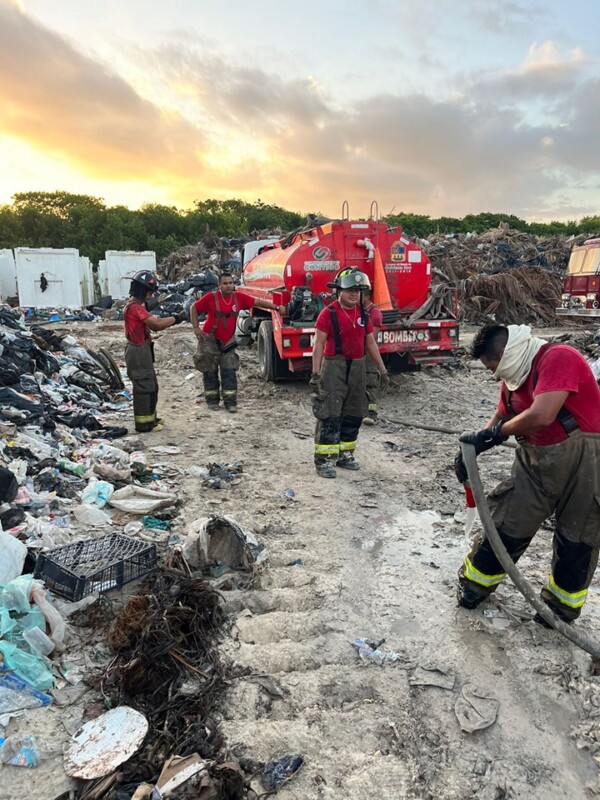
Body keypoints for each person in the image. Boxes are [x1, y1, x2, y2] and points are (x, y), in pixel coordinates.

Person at [455, 323, 600, 624]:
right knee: (509, 519)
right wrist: (474, 446)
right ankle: (475, 585)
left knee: (577, 535)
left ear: (503, 354)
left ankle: (561, 607)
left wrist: (496, 435)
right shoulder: (514, 377)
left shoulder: (558, 357)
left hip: (586, 460)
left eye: (493, 367)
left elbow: (542, 414)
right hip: (536, 459)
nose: (495, 375)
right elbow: (502, 415)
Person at [311, 268, 389, 478]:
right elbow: (318, 345)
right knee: (330, 413)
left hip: (357, 367)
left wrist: (382, 370)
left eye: (357, 290)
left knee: (354, 413)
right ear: (339, 291)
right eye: (349, 290)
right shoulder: (328, 313)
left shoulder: (363, 314)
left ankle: (345, 454)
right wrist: (316, 374)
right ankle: (324, 460)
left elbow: (370, 343)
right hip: (333, 367)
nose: (354, 294)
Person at [190, 273, 286, 412]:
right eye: (225, 283)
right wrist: (196, 328)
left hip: (228, 341)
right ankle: (212, 401)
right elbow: (194, 308)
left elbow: (258, 303)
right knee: (209, 371)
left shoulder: (238, 298)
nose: (228, 286)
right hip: (209, 340)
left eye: (230, 283)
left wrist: (276, 308)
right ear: (219, 285)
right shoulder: (211, 297)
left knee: (229, 371)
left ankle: (230, 403)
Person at [124, 270, 186, 433]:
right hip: (138, 351)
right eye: (150, 293)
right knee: (143, 386)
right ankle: (143, 424)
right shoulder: (135, 307)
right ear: (142, 291)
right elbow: (156, 325)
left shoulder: (137, 306)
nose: (151, 296)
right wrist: (177, 318)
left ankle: (150, 418)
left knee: (151, 385)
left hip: (142, 349)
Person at [362, 287, 384, 425]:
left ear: (366, 297)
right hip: (358, 353)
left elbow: (371, 339)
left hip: (368, 355)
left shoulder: (375, 313)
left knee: (369, 384)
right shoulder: (360, 311)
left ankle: (371, 413)